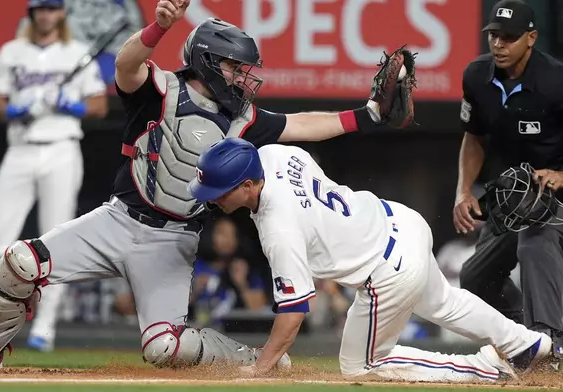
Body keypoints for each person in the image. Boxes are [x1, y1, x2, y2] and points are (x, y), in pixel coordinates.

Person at [0, 0, 411, 371]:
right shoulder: (160, 88)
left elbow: (305, 124)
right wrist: (157, 28)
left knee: (164, 349)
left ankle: (254, 360)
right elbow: (126, 67)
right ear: (207, 62)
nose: (243, 77)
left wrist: (367, 116)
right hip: (117, 219)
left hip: (172, 242)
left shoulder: (243, 118)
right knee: (19, 261)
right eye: (233, 67)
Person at [188, 137, 553, 381]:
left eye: (220, 191)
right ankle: (526, 344)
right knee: (446, 303)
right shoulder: (274, 154)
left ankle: (486, 369)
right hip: (401, 221)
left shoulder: (277, 228)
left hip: (387, 268)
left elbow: (294, 313)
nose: (214, 199)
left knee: (361, 366)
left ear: (249, 185)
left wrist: (263, 367)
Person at [0, 0, 108, 353]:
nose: (45, 15)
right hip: (21, 147)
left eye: (51, 9)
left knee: (55, 238)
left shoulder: (75, 51)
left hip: (62, 148)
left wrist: (70, 104)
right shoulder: (12, 51)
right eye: (39, 10)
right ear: (32, 14)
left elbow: (99, 105)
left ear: (61, 13)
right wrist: (17, 108)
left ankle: (44, 328)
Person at [453, 0, 563, 359]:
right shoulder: (476, 76)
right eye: (494, 35)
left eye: (510, 37)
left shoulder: (555, 81)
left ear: (531, 38)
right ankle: (520, 336)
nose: (499, 44)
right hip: (515, 195)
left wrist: (561, 173)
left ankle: (550, 346)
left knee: (535, 243)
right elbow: (474, 137)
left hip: (557, 195)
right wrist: (463, 190)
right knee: (474, 278)